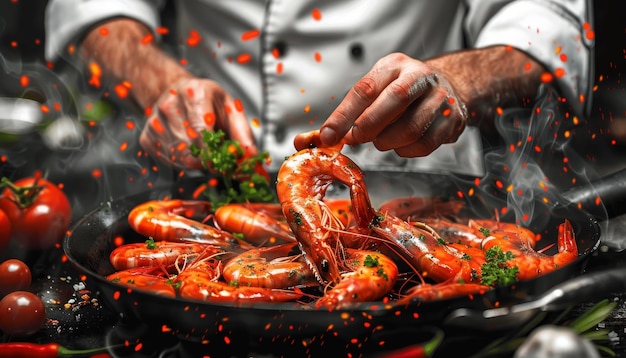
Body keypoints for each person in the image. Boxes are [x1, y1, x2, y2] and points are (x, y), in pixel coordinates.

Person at [44, 0, 593, 177]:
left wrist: (462, 79)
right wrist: (160, 80)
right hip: (206, 183)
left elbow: (547, 20)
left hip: (417, 180)